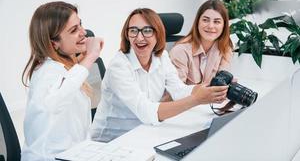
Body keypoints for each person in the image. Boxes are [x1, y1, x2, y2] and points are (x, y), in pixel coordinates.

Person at [90, 8, 228, 142]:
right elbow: (147, 112)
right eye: (133, 31)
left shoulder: (161, 57)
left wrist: (207, 89)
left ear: (158, 34)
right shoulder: (119, 66)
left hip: (145, 131)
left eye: (147, 31)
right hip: (111, 141)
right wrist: (196, 99)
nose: (139, 37)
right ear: (127, 34)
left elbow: (178, 90)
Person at [21, 1, 104, 161]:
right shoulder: (46, 71)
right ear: (54, 43)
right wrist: (90, 57)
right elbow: (55, 102)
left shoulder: (66, 68)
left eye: (80, 25)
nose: (83, 32)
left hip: (75, 154)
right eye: (74, 30)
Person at [169, 0, 233, 85]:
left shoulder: (225, 48)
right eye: (205, 20)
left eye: (217, 22)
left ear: (224, 26)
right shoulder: (180, 51)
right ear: (197, 22)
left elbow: (221, 84)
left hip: (214, 98)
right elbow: (176, 92)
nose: (210, 26)